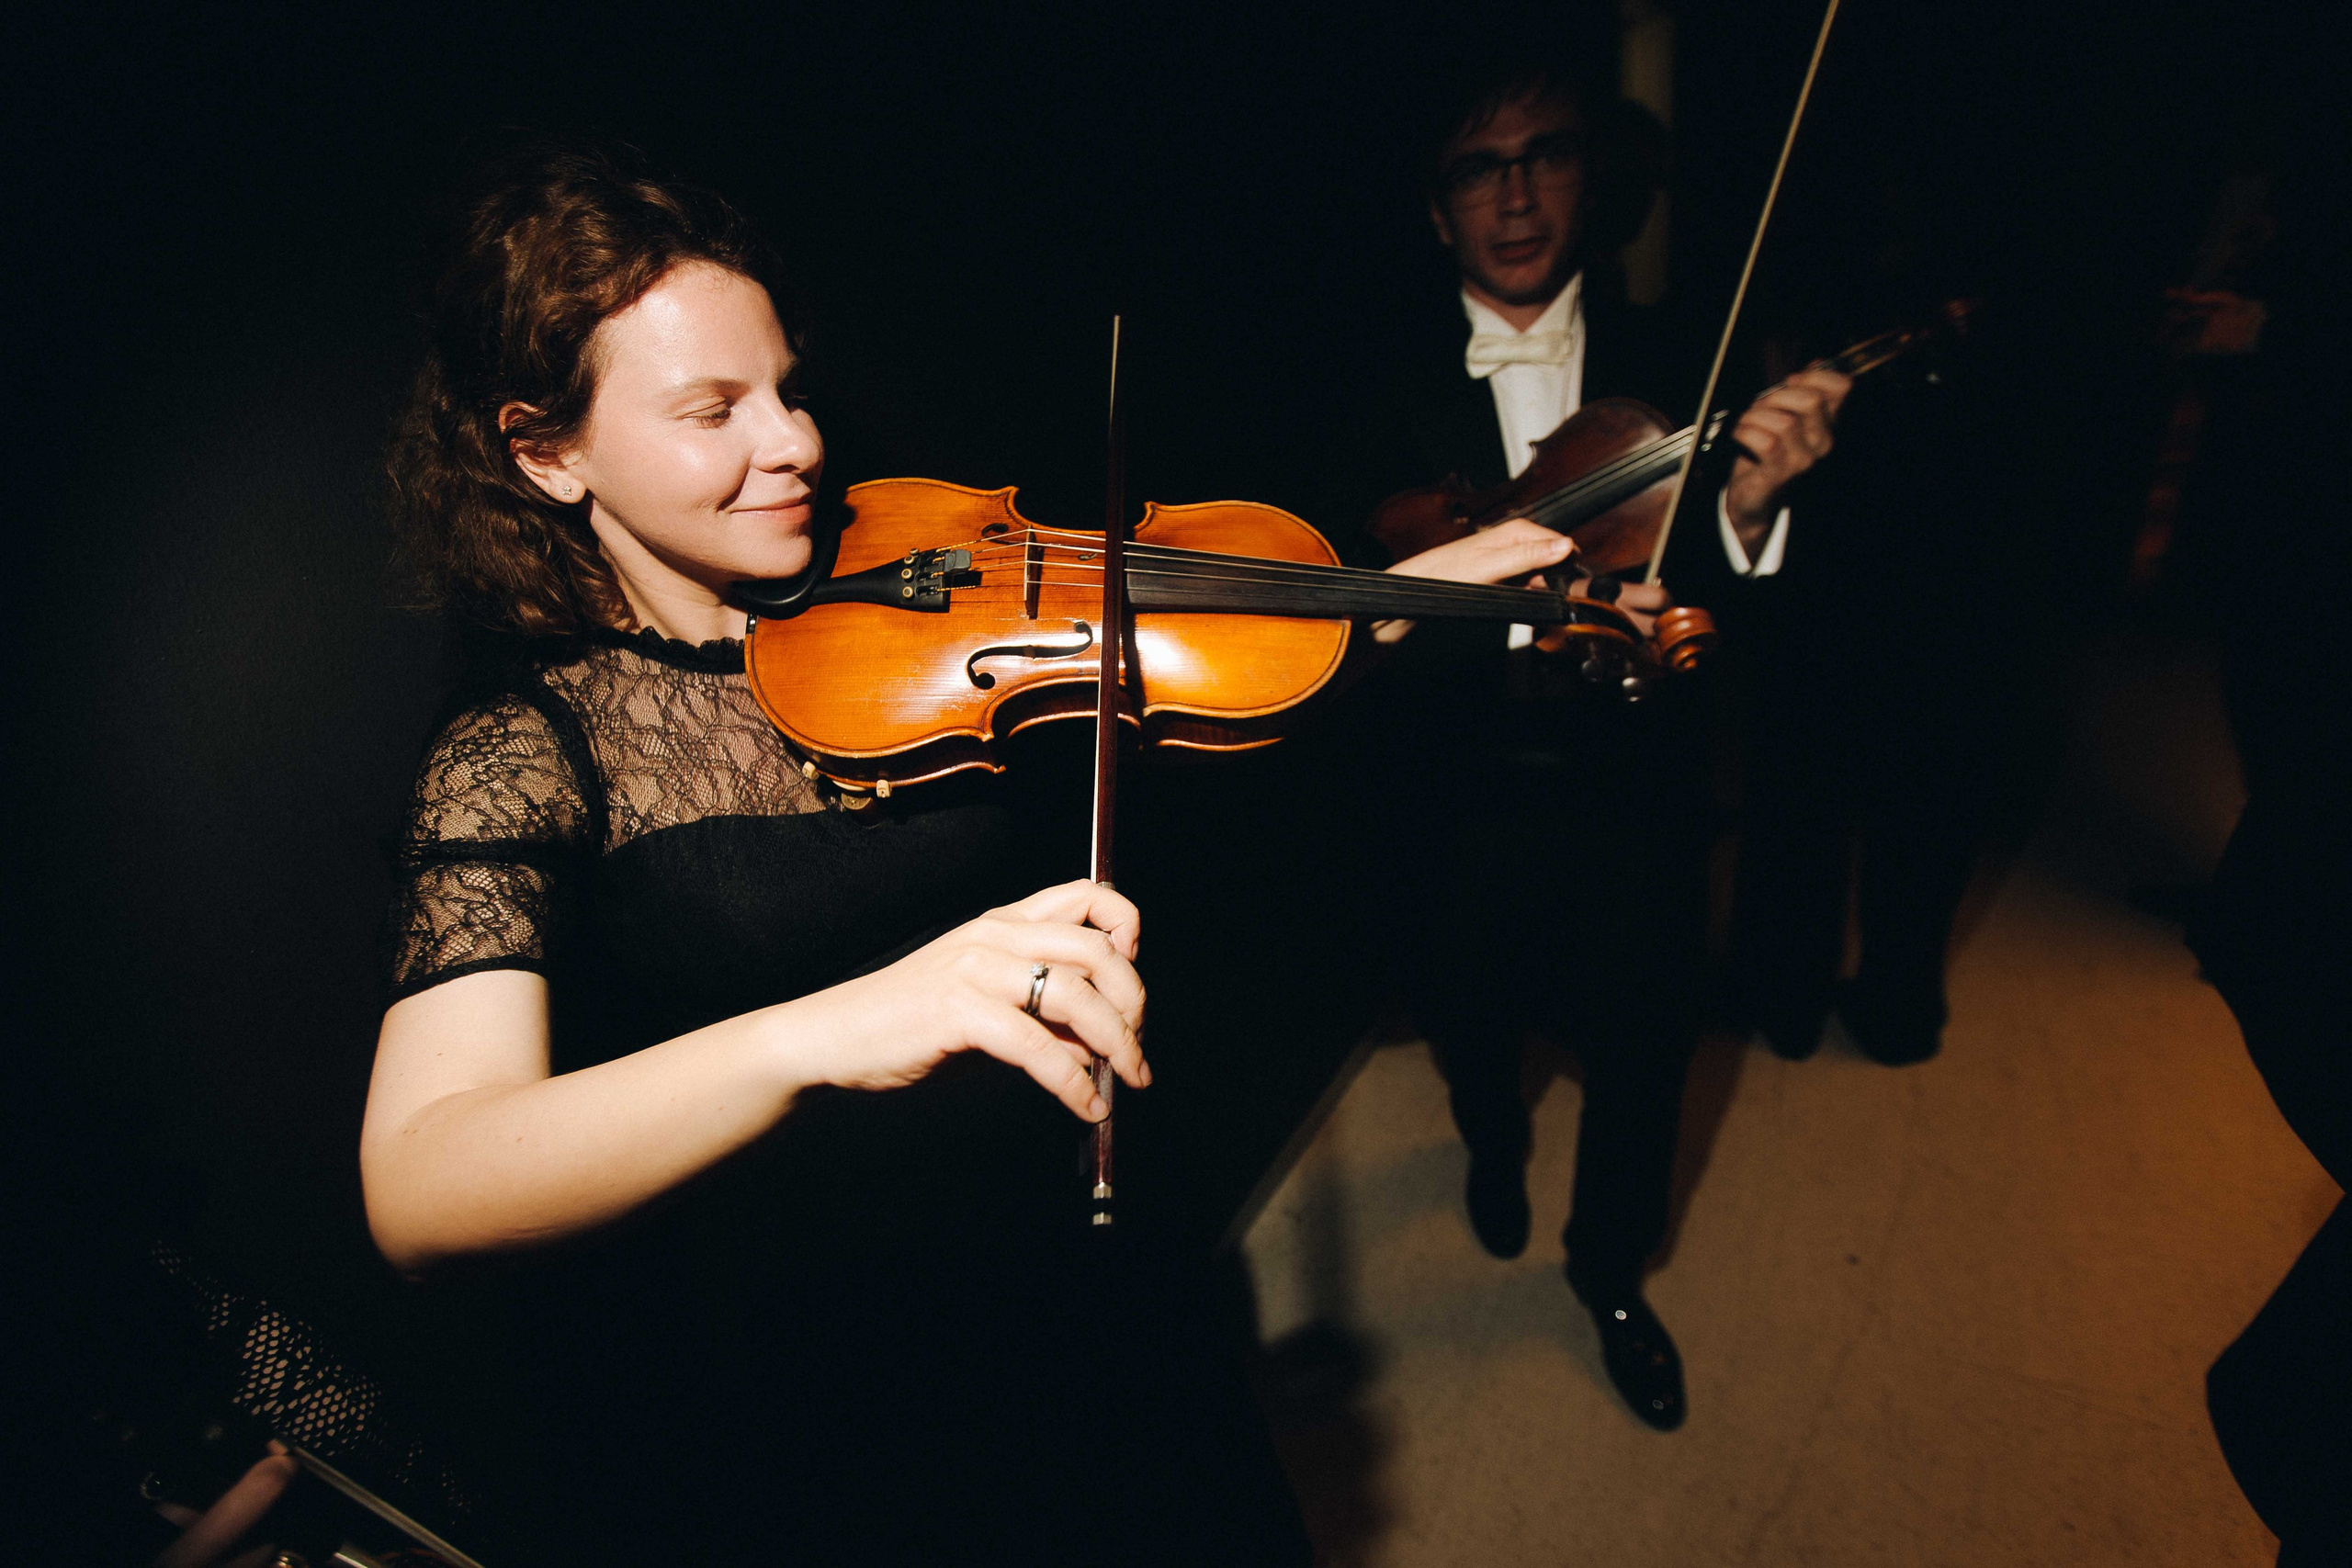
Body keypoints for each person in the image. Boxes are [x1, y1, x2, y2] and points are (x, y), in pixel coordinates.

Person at [359, 137, 1575, 1564]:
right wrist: (832, 1029)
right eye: (714, 410)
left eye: (787, 388)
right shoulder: (523, 749)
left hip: (1075, 1223)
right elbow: (423, 1184)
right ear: (546, 452)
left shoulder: (904, 573)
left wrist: (1378, 600)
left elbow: (1156, 653)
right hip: (841, 1351)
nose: (797, 444)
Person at [1339, 60, 1849, 1430]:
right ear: (1438, 211)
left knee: (1646, 1054)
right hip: (1451, 780)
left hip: (1637, 781)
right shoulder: (1369, 382)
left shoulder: (1686, 359)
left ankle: (1611, 1275)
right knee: (1465, 1012)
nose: (1515, 197)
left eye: (1546, 155)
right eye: (1478, 168)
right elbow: (1347, 614)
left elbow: (1756, 606)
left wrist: (1747, 517)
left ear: (1590, 179)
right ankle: (1491, 1140)